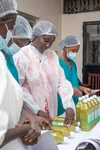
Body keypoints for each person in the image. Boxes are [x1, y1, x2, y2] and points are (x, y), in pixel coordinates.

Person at [14, 21, 75, 126]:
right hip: (31, 114)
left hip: (50, 112)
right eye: (46, 40)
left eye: (51, 43)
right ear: (35, 36)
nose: (48, 45)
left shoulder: (52, 56)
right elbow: (19, 88)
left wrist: (68, 105)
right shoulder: (23, 55)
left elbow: (61, 82)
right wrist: (36, 110)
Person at [0, 0, 40, 149]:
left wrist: (25, 115)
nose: (8, 35)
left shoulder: (2, 59)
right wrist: (23, 130)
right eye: (9, 28)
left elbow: (8, 101)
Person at [4, 14, 51, 129]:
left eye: (22, 46)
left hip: (16, 120)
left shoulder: (9, 58)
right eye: (18, 44)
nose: (17, 49)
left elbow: (17, 94)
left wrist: (32, 116)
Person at [58, 35, 91, 115]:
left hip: (75, 101)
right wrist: (71, 89)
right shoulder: (57, 63)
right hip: (62, 102)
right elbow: (56, 84)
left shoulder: (73, 64)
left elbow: (74, 82)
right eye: (73, 50)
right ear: (65, 48)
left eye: (77, 51)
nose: (75, 53)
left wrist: (83, 89)